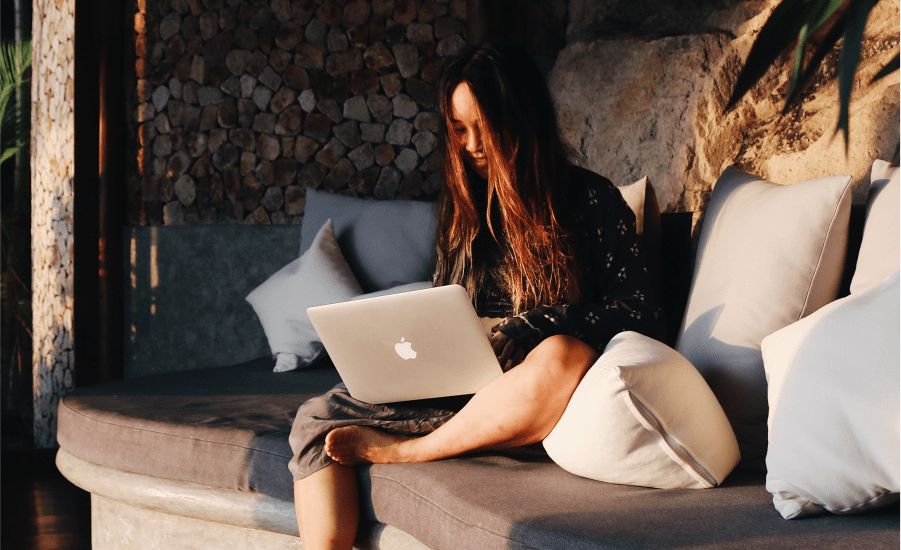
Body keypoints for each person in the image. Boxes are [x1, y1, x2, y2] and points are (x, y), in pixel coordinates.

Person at [288, 42, 663, 550]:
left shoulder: (591, 200)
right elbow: (450, 307)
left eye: (482, 127)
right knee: (316, 416)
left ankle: (407, 451)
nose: (470, 145)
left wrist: (536, 324)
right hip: (467, 389)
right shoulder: (462, 211)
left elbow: (640, 310)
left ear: (519, 118)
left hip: (537, 393)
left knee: (560, 354)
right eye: (459, 130)